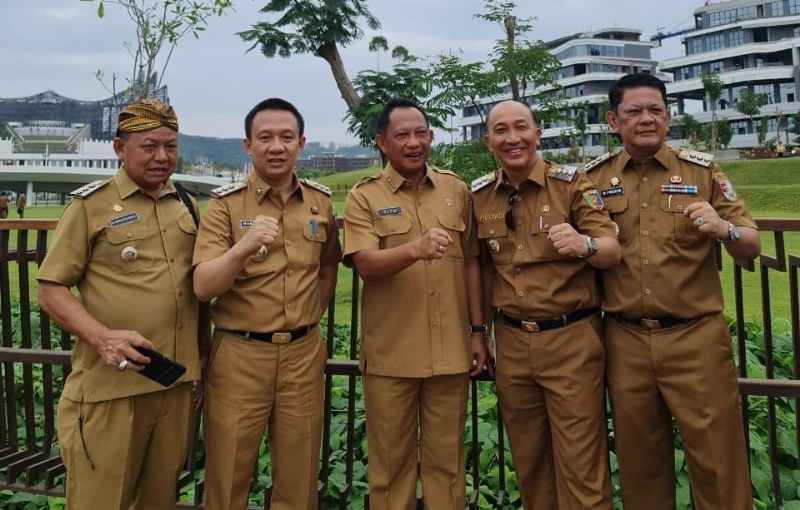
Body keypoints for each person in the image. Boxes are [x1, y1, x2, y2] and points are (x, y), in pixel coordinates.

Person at [584, 73, 761, 510]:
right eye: (634, 112)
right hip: (625, 337)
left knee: (718, 461)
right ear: (613, 120)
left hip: (694, 336)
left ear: (668, 115)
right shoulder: (594, 181)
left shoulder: (702, 173)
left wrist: (724, 229)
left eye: (656, 110)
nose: (647, 119)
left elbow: (751, 243)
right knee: (640, 462)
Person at [37, 99, 201, 509]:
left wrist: (204, 362)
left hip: (172, 386)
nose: (162, 157)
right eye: (149, 146)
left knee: (159, 500)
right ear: (118, 147)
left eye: (171, 146)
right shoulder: (90, 206)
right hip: (111, 391)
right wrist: (102, 337)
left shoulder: (186, 203)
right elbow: (51, 288)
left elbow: (194, 294)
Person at [343, 97, 491, 509]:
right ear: (382, 142)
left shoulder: (455, 189)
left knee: (448, 469)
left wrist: (479, 332)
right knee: (390, 472)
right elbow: (365, 264)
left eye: (421, 133)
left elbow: (472, 265)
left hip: (450, 355)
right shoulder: (364, 197)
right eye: (402, 135)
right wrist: (415, 250)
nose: (414, 142)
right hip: (392, 357)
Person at [471, 99, 620, 509]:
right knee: (530, 464)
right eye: (501, 130)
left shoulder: (572, 185)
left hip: (570, 338)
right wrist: (478, 331)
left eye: (521, 127)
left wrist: (584, 243)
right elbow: (480, 270)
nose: (512, 138)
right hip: (513, 342)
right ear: (488, 141)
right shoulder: (481, 196)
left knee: (581, 468)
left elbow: (611, 249)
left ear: (537, 133)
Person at [193, 97, 340, 510]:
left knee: (298, 476)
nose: (276, 146)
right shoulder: (225, 205)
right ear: (247, 145)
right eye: (266, 137)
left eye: (286, 137)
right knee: (228, 475)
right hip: (240, 354)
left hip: (301, 353)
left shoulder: (319, 202)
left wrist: (311, 315)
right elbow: (204, 285)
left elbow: (329, 265)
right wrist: (242, 249)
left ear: (301, 143)